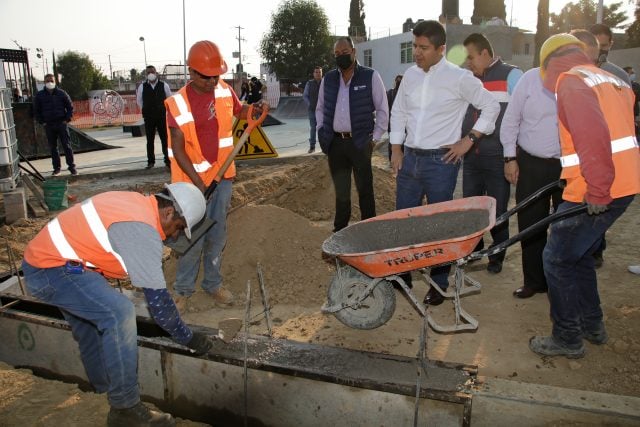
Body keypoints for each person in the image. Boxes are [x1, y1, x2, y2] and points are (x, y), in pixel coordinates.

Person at [21, 182, 214, 426]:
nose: (174, 235)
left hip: (47, 263)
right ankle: (125, 408)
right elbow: (160, 308)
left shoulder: (134, 203)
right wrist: (189, 338)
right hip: (52, 270)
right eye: (178, 227)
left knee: (90, 327)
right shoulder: (141, 230)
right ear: (168, 212)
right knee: (118, 313)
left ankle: (102, 390)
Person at [529, 34, 640, 359]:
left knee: (556, 258)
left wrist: (597, 188)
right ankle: (593, 325)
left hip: (599, 189)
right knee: (579, 257)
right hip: (623, 184)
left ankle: (567, 338)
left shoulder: (573, 82)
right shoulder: (610, 79)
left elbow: (593, 135)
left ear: (550, 63)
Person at [389, 20, 499, 305]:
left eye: (423, 48)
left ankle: (438, 284)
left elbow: (491, 106)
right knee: (404, 223)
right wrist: (396, 149)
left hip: (441, 163)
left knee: (439, 227)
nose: (416, 52)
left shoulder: (459, 78)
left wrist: (469, 140)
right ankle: (403, 276)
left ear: (441, 49)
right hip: (409, 161)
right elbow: (399, 113)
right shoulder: (410, 76)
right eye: (414, 46)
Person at [165, 40, 267, 310]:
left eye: (217, 76)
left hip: (222, 179)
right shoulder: (177, 104)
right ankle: (183, 291)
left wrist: (253, 110)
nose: (213, 81)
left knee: (217, 234)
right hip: (190, 183)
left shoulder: (224, 90)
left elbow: (239, 111)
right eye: (208, 77)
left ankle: (213, 284)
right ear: (193, 73)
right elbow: (177, 149)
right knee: (192, 237)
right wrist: (199, 184)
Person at [462, 33, 523, 274]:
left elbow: (521, 115)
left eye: (471, 57)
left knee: (498, 209)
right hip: (471, 156)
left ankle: (497, 255)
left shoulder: (511, 75)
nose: (468, 62)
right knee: (472, 206)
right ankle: (474, 249)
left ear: (485, 54)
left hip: (497, 155)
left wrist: (513, 156)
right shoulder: (468, 79)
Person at [500, 67, 562, 298]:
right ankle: (534, 282)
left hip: (568, 166)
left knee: (566, 226)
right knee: (530, 223)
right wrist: (510, 158)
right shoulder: (529, 79)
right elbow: (511, 121)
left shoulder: (578, 80)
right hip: (531, 163)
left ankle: (561, 283)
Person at [316, 36, 389, 232]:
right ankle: (340, 231)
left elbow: (383, 109)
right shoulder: (328, 79)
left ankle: (369, 231)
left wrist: (374, 138)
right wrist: (322, 133)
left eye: (344, 52)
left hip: (360, 143)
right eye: (337, 54)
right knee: (341, 191)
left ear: (354, 52)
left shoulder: (370, 76)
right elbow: (320, 109)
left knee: (365, 189)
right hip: (335, 144)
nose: (340, 57)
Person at [574, 28, 631, 268]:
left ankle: (595, 251)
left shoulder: (618, 76)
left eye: (604, 46)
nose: (600, 52)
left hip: (605, 164)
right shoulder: (571, 76)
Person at [34, 74, 77, 176]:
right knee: (53, 148)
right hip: (49, 125)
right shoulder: (39, 95)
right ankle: (56, 169)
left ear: (55, 81)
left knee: (67, 146)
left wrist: (67, 119)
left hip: (61, 123)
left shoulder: (62, 93)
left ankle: (72, 168)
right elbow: (36, 111)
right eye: (47, 80)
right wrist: (42, 122)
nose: (50, 82)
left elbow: (70, 107)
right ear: (44, 82)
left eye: (51, 80)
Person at [136, 65, 172, 170]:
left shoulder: (164, 85)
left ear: (156, 72)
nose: (150, 74)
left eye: (152, 72)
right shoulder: (142, 87)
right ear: (146, 75)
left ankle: (168, 160)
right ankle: (151, 162)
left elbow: (169, 98)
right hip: (149, 117)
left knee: (165, 139)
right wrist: (147, 109)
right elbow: (139, 101)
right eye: (148, 73)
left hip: (161, 116)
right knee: (150, 140)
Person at [302, 66, 323, 154]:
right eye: (316, 72)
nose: (318, 74)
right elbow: (305, 96)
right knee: (313, 128)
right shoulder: (309, 83)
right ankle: (312, 147)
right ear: (313, 74)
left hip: (323, 110)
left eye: (319, 72)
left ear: (322, 73)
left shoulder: (325, 82)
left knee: (323, 128)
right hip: (312, 110)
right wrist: (310, 104)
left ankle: (324, 147)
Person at [386, 74, 403, 161]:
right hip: (401, 124)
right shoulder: (405, 93)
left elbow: (386, 108)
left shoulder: (390, 92)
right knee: (401, 143)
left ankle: (392, 160)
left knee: (392, 142)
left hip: (392, 123)